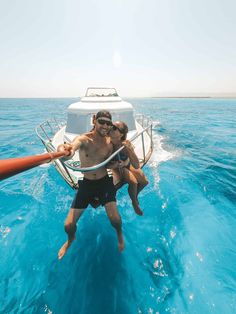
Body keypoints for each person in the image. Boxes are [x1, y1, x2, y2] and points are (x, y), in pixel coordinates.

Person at [57, 111, 125, 259]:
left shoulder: (110, 142)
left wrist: (119, 163)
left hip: (104, 183)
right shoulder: (84, 139)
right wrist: (65, 150)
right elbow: (72, 147)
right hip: (87, 184)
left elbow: (114, 159)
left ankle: (119, 234)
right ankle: (70, 239)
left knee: (116, 220)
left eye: (109, 123)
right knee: (68, 226)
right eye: (102, 121)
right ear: (94, 120)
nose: (105, 126)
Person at [108, 121, 149, 216]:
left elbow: (136, 165)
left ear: (121, 134)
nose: (111, 128)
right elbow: (105, 163)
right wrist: (116, 165)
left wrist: (130, 150)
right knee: (133, 182)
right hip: (117, 167)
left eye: (114, 127)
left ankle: (135, 195)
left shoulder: (125, 144)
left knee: (145, 182)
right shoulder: (108, 143)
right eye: (111, 126)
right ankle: (134, 202)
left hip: (126, 163)